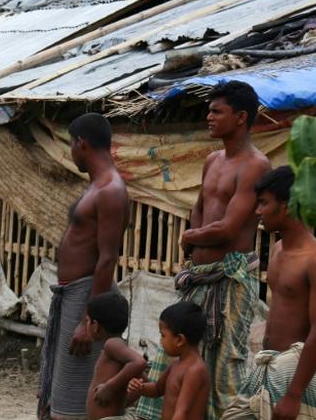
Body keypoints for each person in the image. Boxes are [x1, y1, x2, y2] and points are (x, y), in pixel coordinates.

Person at [136, 80, 271, 420]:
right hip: (200, 277)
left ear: (241, 117)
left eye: (216, 111)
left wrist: (192, 236)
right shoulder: (213, 159)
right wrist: (193, 237)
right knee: (181, 354)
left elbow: (228, 228)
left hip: (230, 280)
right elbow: (198, 208)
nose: (208, 117)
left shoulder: (255, 164)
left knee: (227, 365)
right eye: (209, 110)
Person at [220, 166, 316, 420]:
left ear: (288, 205)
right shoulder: (279, 249)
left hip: (298, 376)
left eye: (264, 203)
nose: (257, 211)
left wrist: (294, 394)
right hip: (268, 366)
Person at [38, 113, 129, 420]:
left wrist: (88, 318)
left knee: (77, 392)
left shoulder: (111, 190)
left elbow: (107, 258)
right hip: (73, 295)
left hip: (87, 298)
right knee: (63, 383)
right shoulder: (97, 186)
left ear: (83, 143)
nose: (71, 153)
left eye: (71, 145)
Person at [128, 302, 210, 420]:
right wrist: (140, 388)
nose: (161, 341)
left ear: (180, 340)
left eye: (163, 335)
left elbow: (182, 412)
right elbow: (157, 389)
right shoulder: (175, 364)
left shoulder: (195, 370)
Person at [85, 292, 147, 420]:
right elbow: (144, 380)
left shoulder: (111, 344)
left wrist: (110, 387)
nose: (86, 324)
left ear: (95, 326)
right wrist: (123, 401)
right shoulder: (117, 348)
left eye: (87, 321)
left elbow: (140, 363)